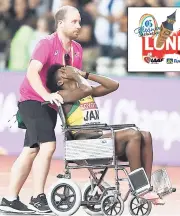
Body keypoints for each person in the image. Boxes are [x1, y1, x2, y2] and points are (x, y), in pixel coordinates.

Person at [0, 5, 85, 213]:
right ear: (60, 23)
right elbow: (32, 73)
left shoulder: (77, 50)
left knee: (31, 150)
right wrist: (46, 95)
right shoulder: (46, 44)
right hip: (32, 99)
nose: (79, 26)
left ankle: (10, 199)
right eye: (74, 21)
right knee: (47, 146)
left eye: (80, 22)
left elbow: (73, 83)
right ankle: (38, 198)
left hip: (51, 103)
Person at [46, 64, 165, 205]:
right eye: (63, 71)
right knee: (133, 134)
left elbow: (113, 85)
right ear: (60, 82)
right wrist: (76, 75)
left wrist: (85, 74)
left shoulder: (85, 91)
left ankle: (146, 186)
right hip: (85, 145)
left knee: (145, 135)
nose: (68, 69)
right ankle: (139, 187)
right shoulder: (63, 95)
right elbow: (86, 89)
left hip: (100, 142)